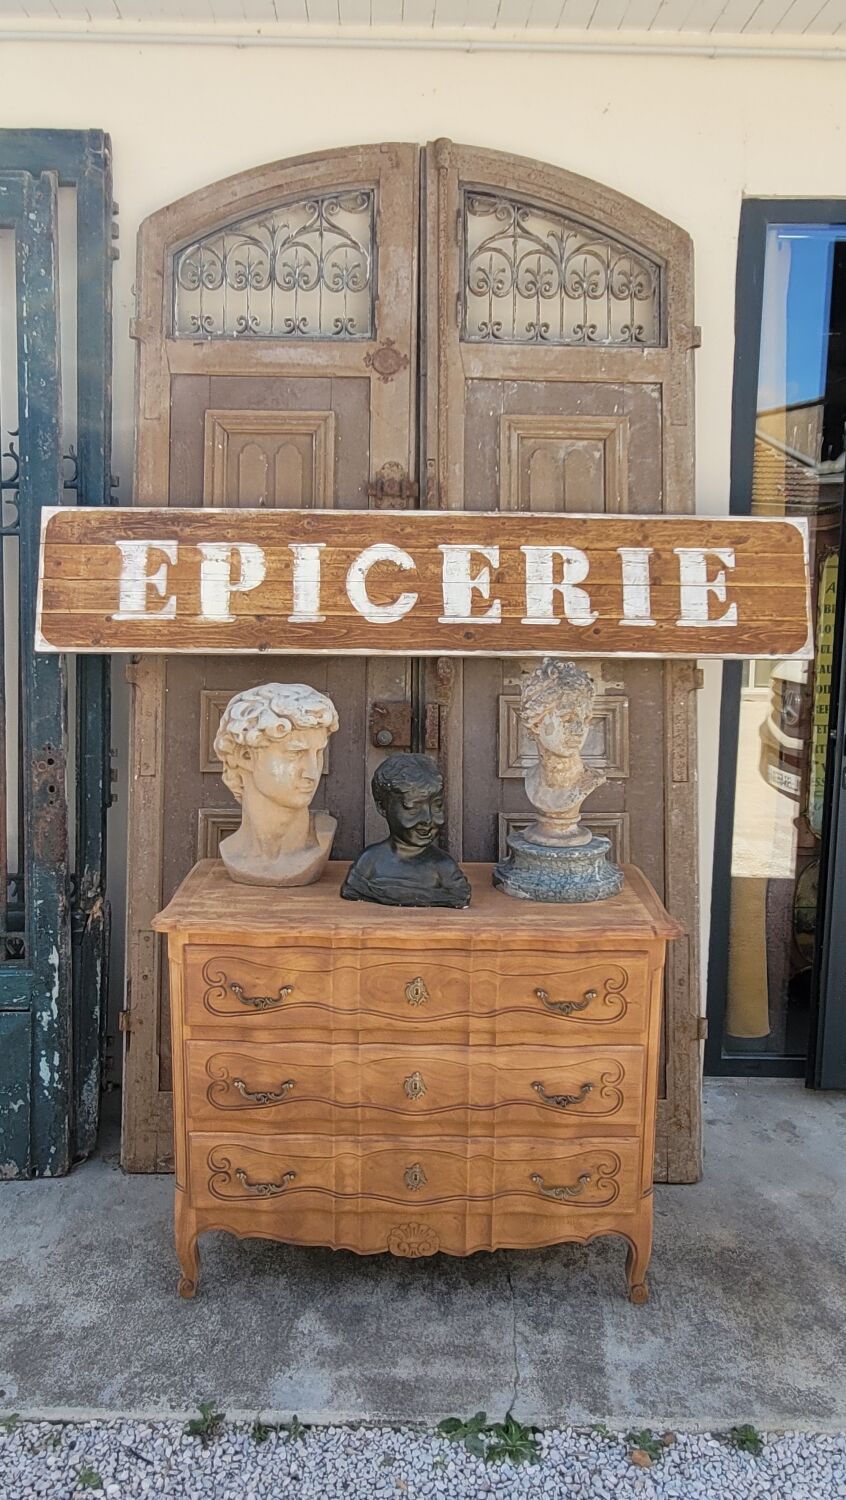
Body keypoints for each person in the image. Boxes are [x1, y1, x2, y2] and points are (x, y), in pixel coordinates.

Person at [342, 752, 470, 908]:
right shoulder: (369, 861)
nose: (428, 819)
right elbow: (353, 890)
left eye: (436, 806)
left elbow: (459, 896)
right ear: (383, 807)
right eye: (413, 808)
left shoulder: (444, 868)